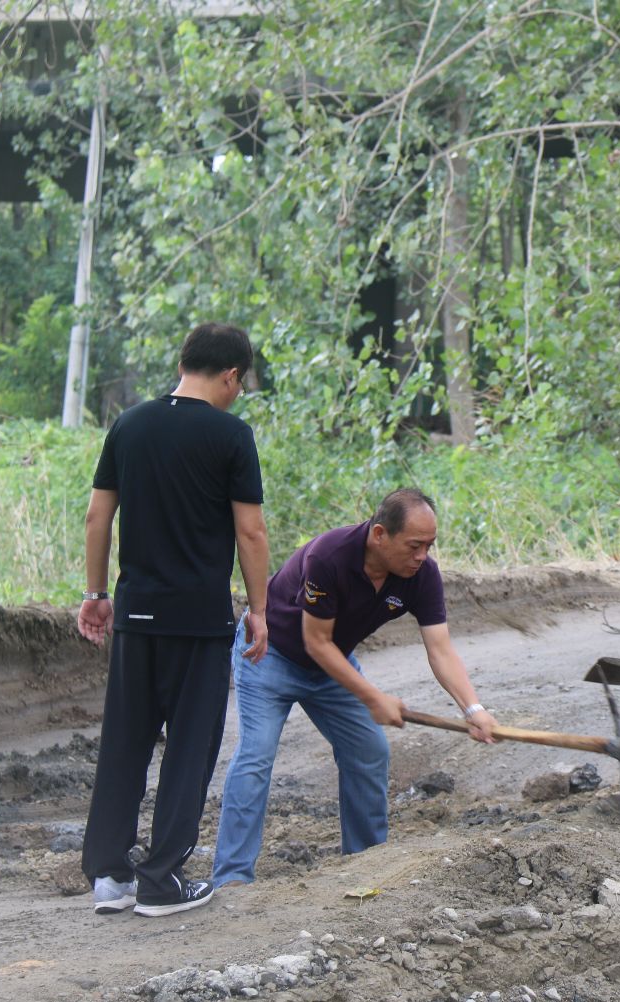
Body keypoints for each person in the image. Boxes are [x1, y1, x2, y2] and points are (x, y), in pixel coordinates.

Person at [78, 322, 270, 918]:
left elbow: (97, 517)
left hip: (135, 615)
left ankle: (110, 877)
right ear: (231, 375)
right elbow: (250, 531)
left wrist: (96, 593)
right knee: (189, 748)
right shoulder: (232, 435)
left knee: (125, 743)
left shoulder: (129, 425)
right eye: (242, 382)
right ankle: (161, 880)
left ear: (184, 363)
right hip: (198, 621)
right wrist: (260, 609)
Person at [212, 489, 499, 887]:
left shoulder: (422, 575)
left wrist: (473, 709)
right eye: (414, 545)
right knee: (256, 756)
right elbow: (316, 642)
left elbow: (440, 649)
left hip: (332, 666)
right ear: (380, 534)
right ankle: (232, 879)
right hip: (270, 656)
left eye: (429, 546)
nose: (422, 556)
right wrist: (373, 697)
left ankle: (366, 862)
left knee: (369, 751)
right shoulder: (329, 556)